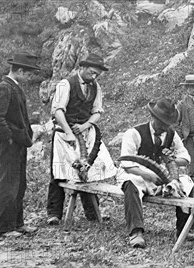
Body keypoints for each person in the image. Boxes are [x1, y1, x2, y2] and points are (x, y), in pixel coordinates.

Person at [46, 53, 117, 225]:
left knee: (88, 170)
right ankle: (54, 213)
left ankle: (92, 212)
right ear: (82, 68)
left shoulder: (95, 87)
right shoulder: (66, 84)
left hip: (84, 132)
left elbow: (97, 112)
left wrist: (86, 125)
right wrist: (69, 132)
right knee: (60, 172)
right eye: (91, 73)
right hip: (64, 133)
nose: (93, 77)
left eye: (97, 75)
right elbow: (57, 111)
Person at [117, 98, 194, 248]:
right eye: (161, 123)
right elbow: (126, 163)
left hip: (161, 176)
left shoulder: (171, 134)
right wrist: (146, 175)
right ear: (152, 117)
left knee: (186, 182)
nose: (164, 128)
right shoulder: (134, 133)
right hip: (137, 173)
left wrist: (172, 159)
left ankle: (184, 228)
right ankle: (136, 232)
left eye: (167, 125)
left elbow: (185, 158)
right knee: (131, 183)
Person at [0, 52, 40, 237]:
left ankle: (17, 224)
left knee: (19, 184)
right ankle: (5, 227)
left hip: (19, 144)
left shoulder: (14, 87)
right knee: (8, 185)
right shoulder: (4, 88)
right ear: (19, 70)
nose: (30, 77)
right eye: (28, 73)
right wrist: (9, 137)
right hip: (9, 145)